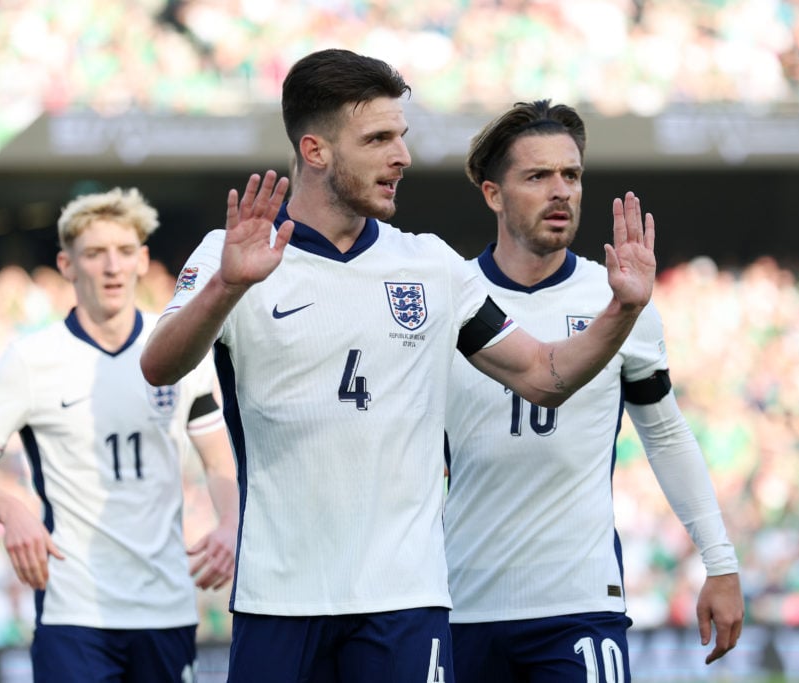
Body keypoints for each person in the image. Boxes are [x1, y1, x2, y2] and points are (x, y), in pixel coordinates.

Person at [140, 48, 655, 683]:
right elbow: (159, 366)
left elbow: (543, 377)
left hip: (405, 603)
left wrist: (622, 311)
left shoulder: (430, 266)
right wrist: (226, 288)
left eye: (401, 136)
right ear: (316, 150)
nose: (403, 157)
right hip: (279, 597)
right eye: (379, 138)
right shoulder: (233, 253)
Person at [442, 100, 744, 683]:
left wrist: (721, 562)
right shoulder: (449, 296)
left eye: (572, 175)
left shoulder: (618, 297)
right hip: (461, 603)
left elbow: (664, 433)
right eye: (537, 176)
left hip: (579, 604)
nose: (561, 191)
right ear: (492, 194)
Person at [0, 187, 239, 683]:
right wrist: (12, 511)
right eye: (95, 254)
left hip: (165, 606)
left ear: (144, 261)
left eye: (124, 252)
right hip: (74, 611)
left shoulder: (181, 351)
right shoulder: (32, 359)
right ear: (67, 264)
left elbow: (218, 460)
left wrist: (230, 522)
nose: (112, 267)